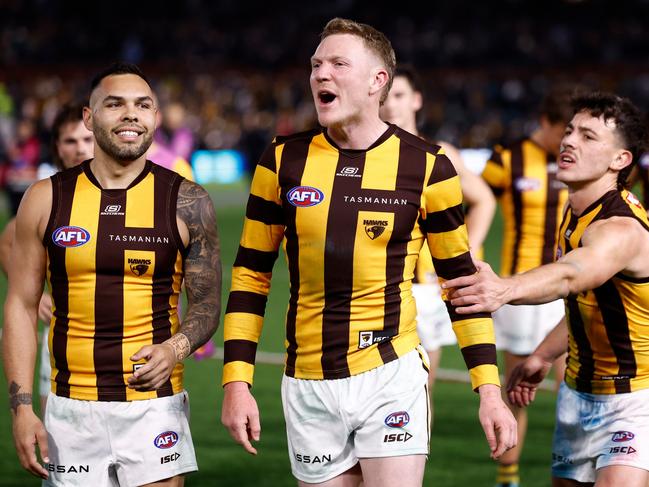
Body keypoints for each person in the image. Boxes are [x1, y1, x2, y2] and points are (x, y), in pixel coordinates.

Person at [221, 17, 516, 487]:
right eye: (316, 64)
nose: (321, 74)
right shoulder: (281, 160)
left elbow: (462, 285)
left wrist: (489, 390)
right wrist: (237, 382)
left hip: (390, 372)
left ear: (379, 80)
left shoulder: (428, 166)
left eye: (339, 63)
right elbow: (250, 276)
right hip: (308, 381)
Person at [3, 62, 221, 486]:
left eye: (143, 105)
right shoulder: (45, 198)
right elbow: (20, 306)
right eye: (114, 104)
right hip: (70, 408)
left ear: (156, 118)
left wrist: (175, 348)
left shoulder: (188, 201)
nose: (130, 114)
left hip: (155, 406)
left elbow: (208, 303)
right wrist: (23, 408)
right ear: (89, 116)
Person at [444, 92, 649, 487]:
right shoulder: (576, 210)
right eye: (570, 130)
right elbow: (587, 304)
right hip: (577, 393)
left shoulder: (619, 228)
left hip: (634, 398)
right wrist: (541, 356)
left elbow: (572, 275)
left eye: (589, 137)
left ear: (619, 160)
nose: (569, 140)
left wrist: (502, 290)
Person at [480, 86, 577, 487]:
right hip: (518, 293)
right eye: (565, 131)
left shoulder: (580, 164)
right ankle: (509, 477)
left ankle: (574, 471)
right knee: (518, 386)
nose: (570, 141)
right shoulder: (508, 160)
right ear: (545, 122)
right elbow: (472, 203)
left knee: (572, 386)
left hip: (569, 286)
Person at [379, 65, 496, 395]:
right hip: (380, 284)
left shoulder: (441, 153)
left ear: (416, 100)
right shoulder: (365, 157)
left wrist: (466, 251)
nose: (391, 105)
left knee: (419, 388)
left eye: (399, 96)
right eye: (386, 98)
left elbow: (484, 200)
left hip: (428, 288)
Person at [0, 102, 93, 416]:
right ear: (57, 147)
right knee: (59, 454)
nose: (80, 148)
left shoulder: (123, 189)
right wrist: (35, 294)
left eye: (87, 139)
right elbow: (9, 238)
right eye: (71, 141)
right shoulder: (47, 195)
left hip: (124, 338)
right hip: (61, 340)